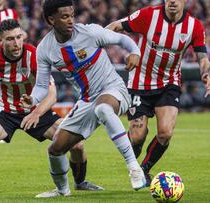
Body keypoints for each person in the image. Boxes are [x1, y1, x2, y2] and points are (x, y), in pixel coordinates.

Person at [0, 19, 102, 195]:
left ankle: (80, 183)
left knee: (77, 145)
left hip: (36, 111)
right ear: (0, 41)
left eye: (19, 37)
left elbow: (52, 95)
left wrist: (36, 113)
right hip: (4, 111)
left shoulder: (35, 56)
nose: (16, 43)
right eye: (10, 39)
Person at [21, 0, 146, 198]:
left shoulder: (91, 32)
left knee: (103, 109)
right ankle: (62, 191)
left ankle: (134, 167)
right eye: (64, 17)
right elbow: (42, 86)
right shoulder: (45, 49)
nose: (71, 20)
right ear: (51, 19)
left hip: (113, 89)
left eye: (72, 15)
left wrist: (135, 52)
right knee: (55, 149)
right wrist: (32, 99)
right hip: (87, 101)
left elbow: (124, 41)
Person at [106, 0, 210, 186]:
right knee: (137, 137)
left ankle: (144, 169)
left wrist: (205, 73)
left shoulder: (193, 26)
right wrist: (94, 41)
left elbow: (203, 57)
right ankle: (134, 152)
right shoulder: (148, 16)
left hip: (168, 84)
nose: (172, 1)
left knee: (165, 133)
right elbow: (116, 26)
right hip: (139, 83)